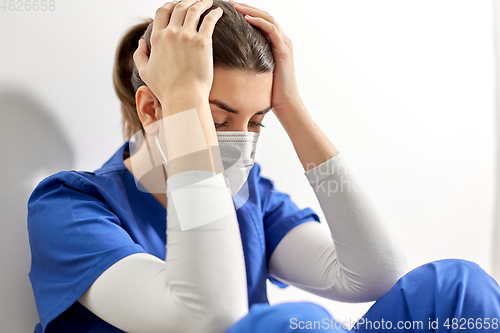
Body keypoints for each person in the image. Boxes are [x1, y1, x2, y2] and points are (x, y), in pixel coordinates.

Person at [26, 0, 500, 332]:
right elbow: (208, 315)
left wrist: (291, 106)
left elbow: (374, 275)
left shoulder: (250, 195)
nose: (239, 141)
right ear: (151, 109)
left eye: (257, 121)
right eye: (216, 117)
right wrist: (185, 100)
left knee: (459, 288)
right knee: (300, 324)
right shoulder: (69, 207)